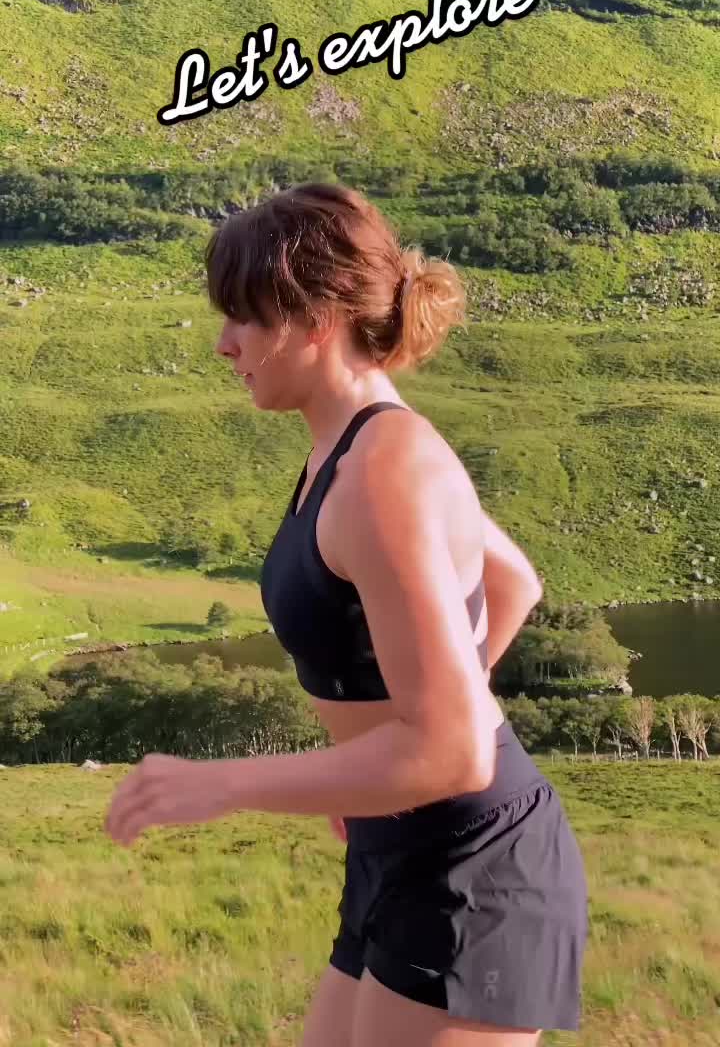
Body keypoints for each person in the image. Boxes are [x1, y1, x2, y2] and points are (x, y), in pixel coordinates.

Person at [106, 182, 588, 1047]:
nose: (223, 343)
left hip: (475, 869)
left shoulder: (385, 466)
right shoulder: (350, 447)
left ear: (316, 316)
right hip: (397, 850)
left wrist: (221, 784)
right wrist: (385, 760)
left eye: (244, 316)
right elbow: (513, 580)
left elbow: (453, 751)